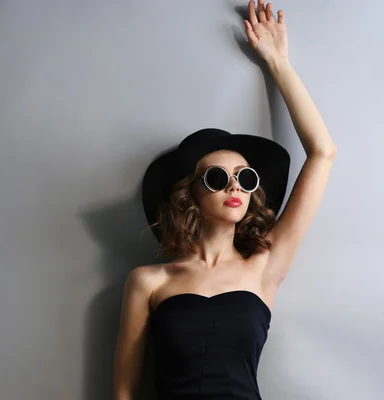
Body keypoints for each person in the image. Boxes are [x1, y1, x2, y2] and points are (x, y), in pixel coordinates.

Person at [113, 1, 337, 399]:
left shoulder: (264, 268)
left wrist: (278, 64)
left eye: (245, 179)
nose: (235, 187)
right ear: (190, 194)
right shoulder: (149, 281)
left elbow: (322, 152)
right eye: (217, 178)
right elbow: (125, 391)